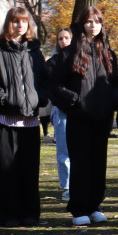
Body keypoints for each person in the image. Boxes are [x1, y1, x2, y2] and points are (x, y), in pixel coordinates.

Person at [49, 7, 118, 227]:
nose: (93, 25)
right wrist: (73, 100)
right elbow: (53, 84)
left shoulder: (108, 52)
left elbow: (116, 83)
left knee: (99, 162)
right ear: (82, 25)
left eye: (96, 21)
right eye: (88, 21)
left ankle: (94, 205)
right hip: (79, 117)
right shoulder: (70, 53)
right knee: (80, 162)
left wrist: (113, 103)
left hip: (102, 117)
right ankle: (79, 207)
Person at [0, 7, 47, 227]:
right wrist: (5, 99)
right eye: (16, 22)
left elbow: (43, 79)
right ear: (9, 23)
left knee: (29, 169)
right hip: (6, 120)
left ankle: (30, 213)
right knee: (7, 170)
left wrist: (41, 98)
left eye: (24, 22)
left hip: (30, 120)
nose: (20, 26)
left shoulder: (34, 52)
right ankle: (8, 214)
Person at [47, 28, 72, 201]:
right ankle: (67, 187)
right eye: (60, 38)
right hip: (61, 109)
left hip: (77, 110)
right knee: (63, 151)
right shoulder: (53, 62)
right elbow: (51, 87)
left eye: (66, 38)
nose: (63, 41)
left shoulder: (79, 60)